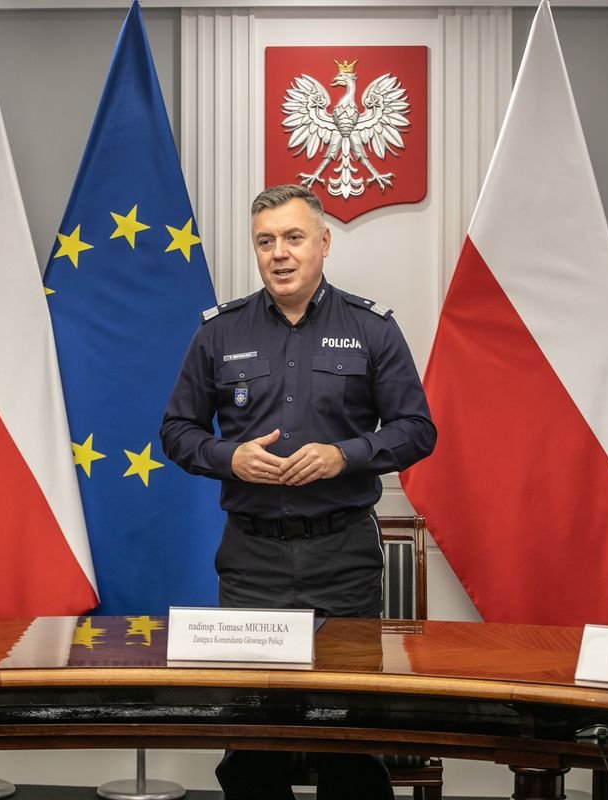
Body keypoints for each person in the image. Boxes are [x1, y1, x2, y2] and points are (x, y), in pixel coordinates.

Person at [161, 184, 436, 800]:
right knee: (253, 744)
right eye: (265, 242)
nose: (279, 253)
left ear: (323, 243)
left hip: (343, 558)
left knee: (348, 737)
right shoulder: (219, 333)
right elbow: (176, 432)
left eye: (293, 238)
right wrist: (230, 457)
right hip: (252, 560)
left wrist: (345, 455)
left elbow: (418, 429)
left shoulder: (371, 328)